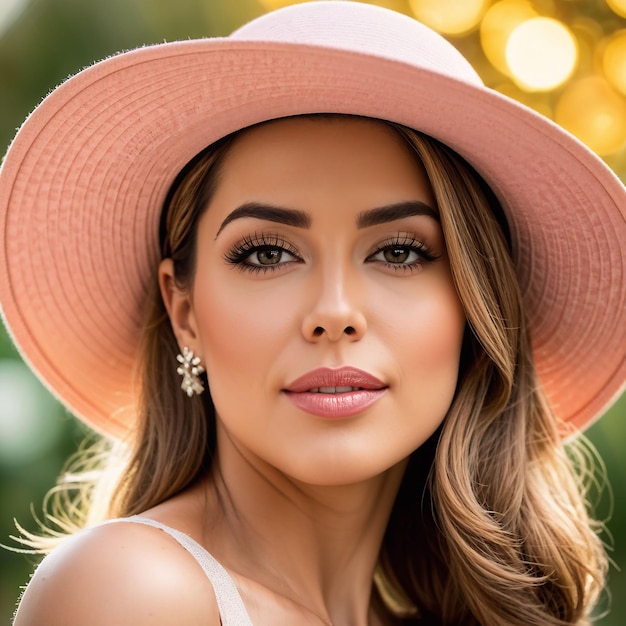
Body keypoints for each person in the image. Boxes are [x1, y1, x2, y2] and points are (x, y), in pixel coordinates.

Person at [1, 2, 624, 624]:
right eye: (267, 253)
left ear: (474, 305)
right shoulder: (132, 592)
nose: (334, 313)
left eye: (400, 251)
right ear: (183, 311)